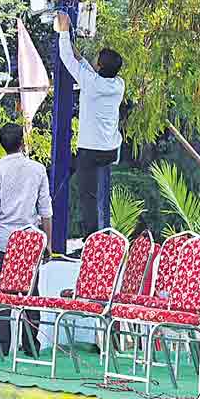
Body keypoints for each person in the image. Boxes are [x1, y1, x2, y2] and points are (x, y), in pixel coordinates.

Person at [0, 123, 52, 358]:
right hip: (30, 241)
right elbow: (45, 210)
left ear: (3, 146)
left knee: (3, 294)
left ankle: (3, 347)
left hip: (3, 241)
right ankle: (31, 346)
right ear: (23, 143)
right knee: (31, 293)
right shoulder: (38, 169)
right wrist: (48, 243)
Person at [54, 12, 125, 234]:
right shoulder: (118, 85)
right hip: (111, 149)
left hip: (91, 150)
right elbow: (85, 68)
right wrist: (80, 57)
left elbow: (67, 60)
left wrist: (64, 32)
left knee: (88, 196)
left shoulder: (91, 83)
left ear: (100, 66)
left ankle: (92, 239)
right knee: (99, 193)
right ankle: (103, 235)